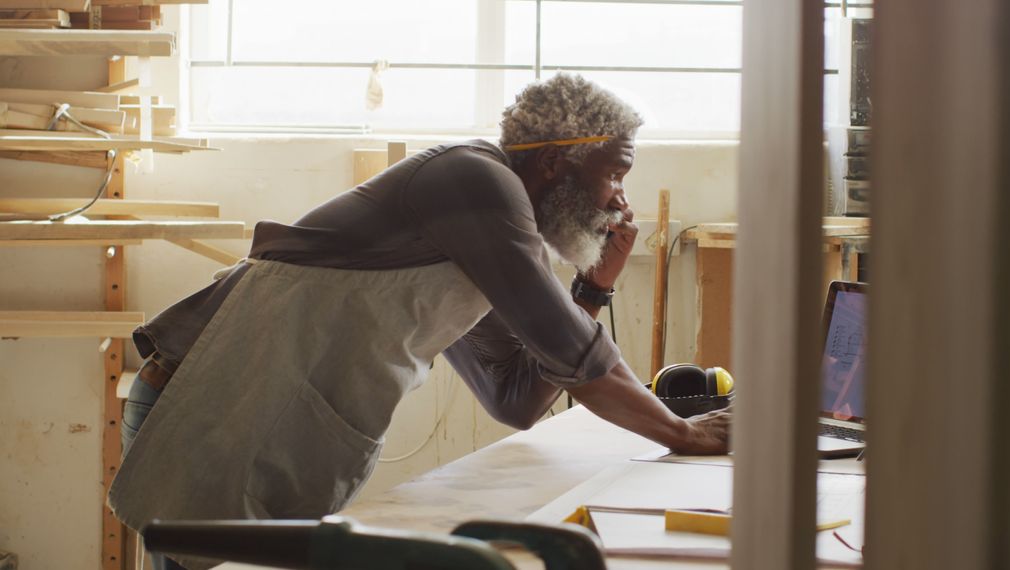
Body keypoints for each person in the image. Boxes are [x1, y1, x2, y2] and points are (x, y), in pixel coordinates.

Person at [109, 73, 732, 570]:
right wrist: (686, 434)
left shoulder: (484, 228)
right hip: (207, 403)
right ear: (557, 162)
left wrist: (594, 286)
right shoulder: (473, 180)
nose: (621, 199)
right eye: (615, 173)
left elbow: (514, 396)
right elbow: (572, 351)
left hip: (254, 416)